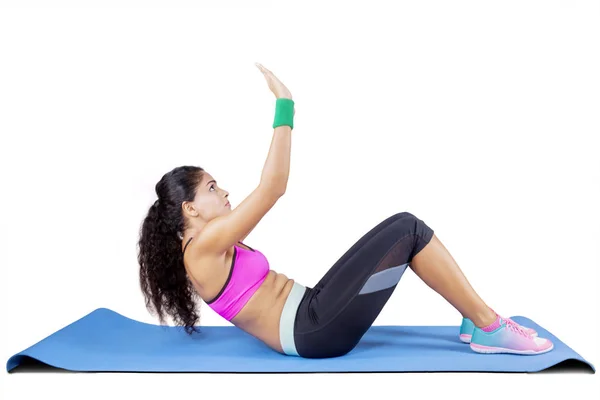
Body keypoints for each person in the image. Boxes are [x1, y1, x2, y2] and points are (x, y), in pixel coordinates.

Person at [137, 63, 554, 358]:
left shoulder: (205, 243)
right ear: (189, 208)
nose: (224, 191)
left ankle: (473, 312)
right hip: (314, 332)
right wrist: (285, 106)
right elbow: (272, 188)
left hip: (312, 313)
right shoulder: (202, 246)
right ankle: (487, 326)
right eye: (212, 187)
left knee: (402, 224)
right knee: (408, 230)